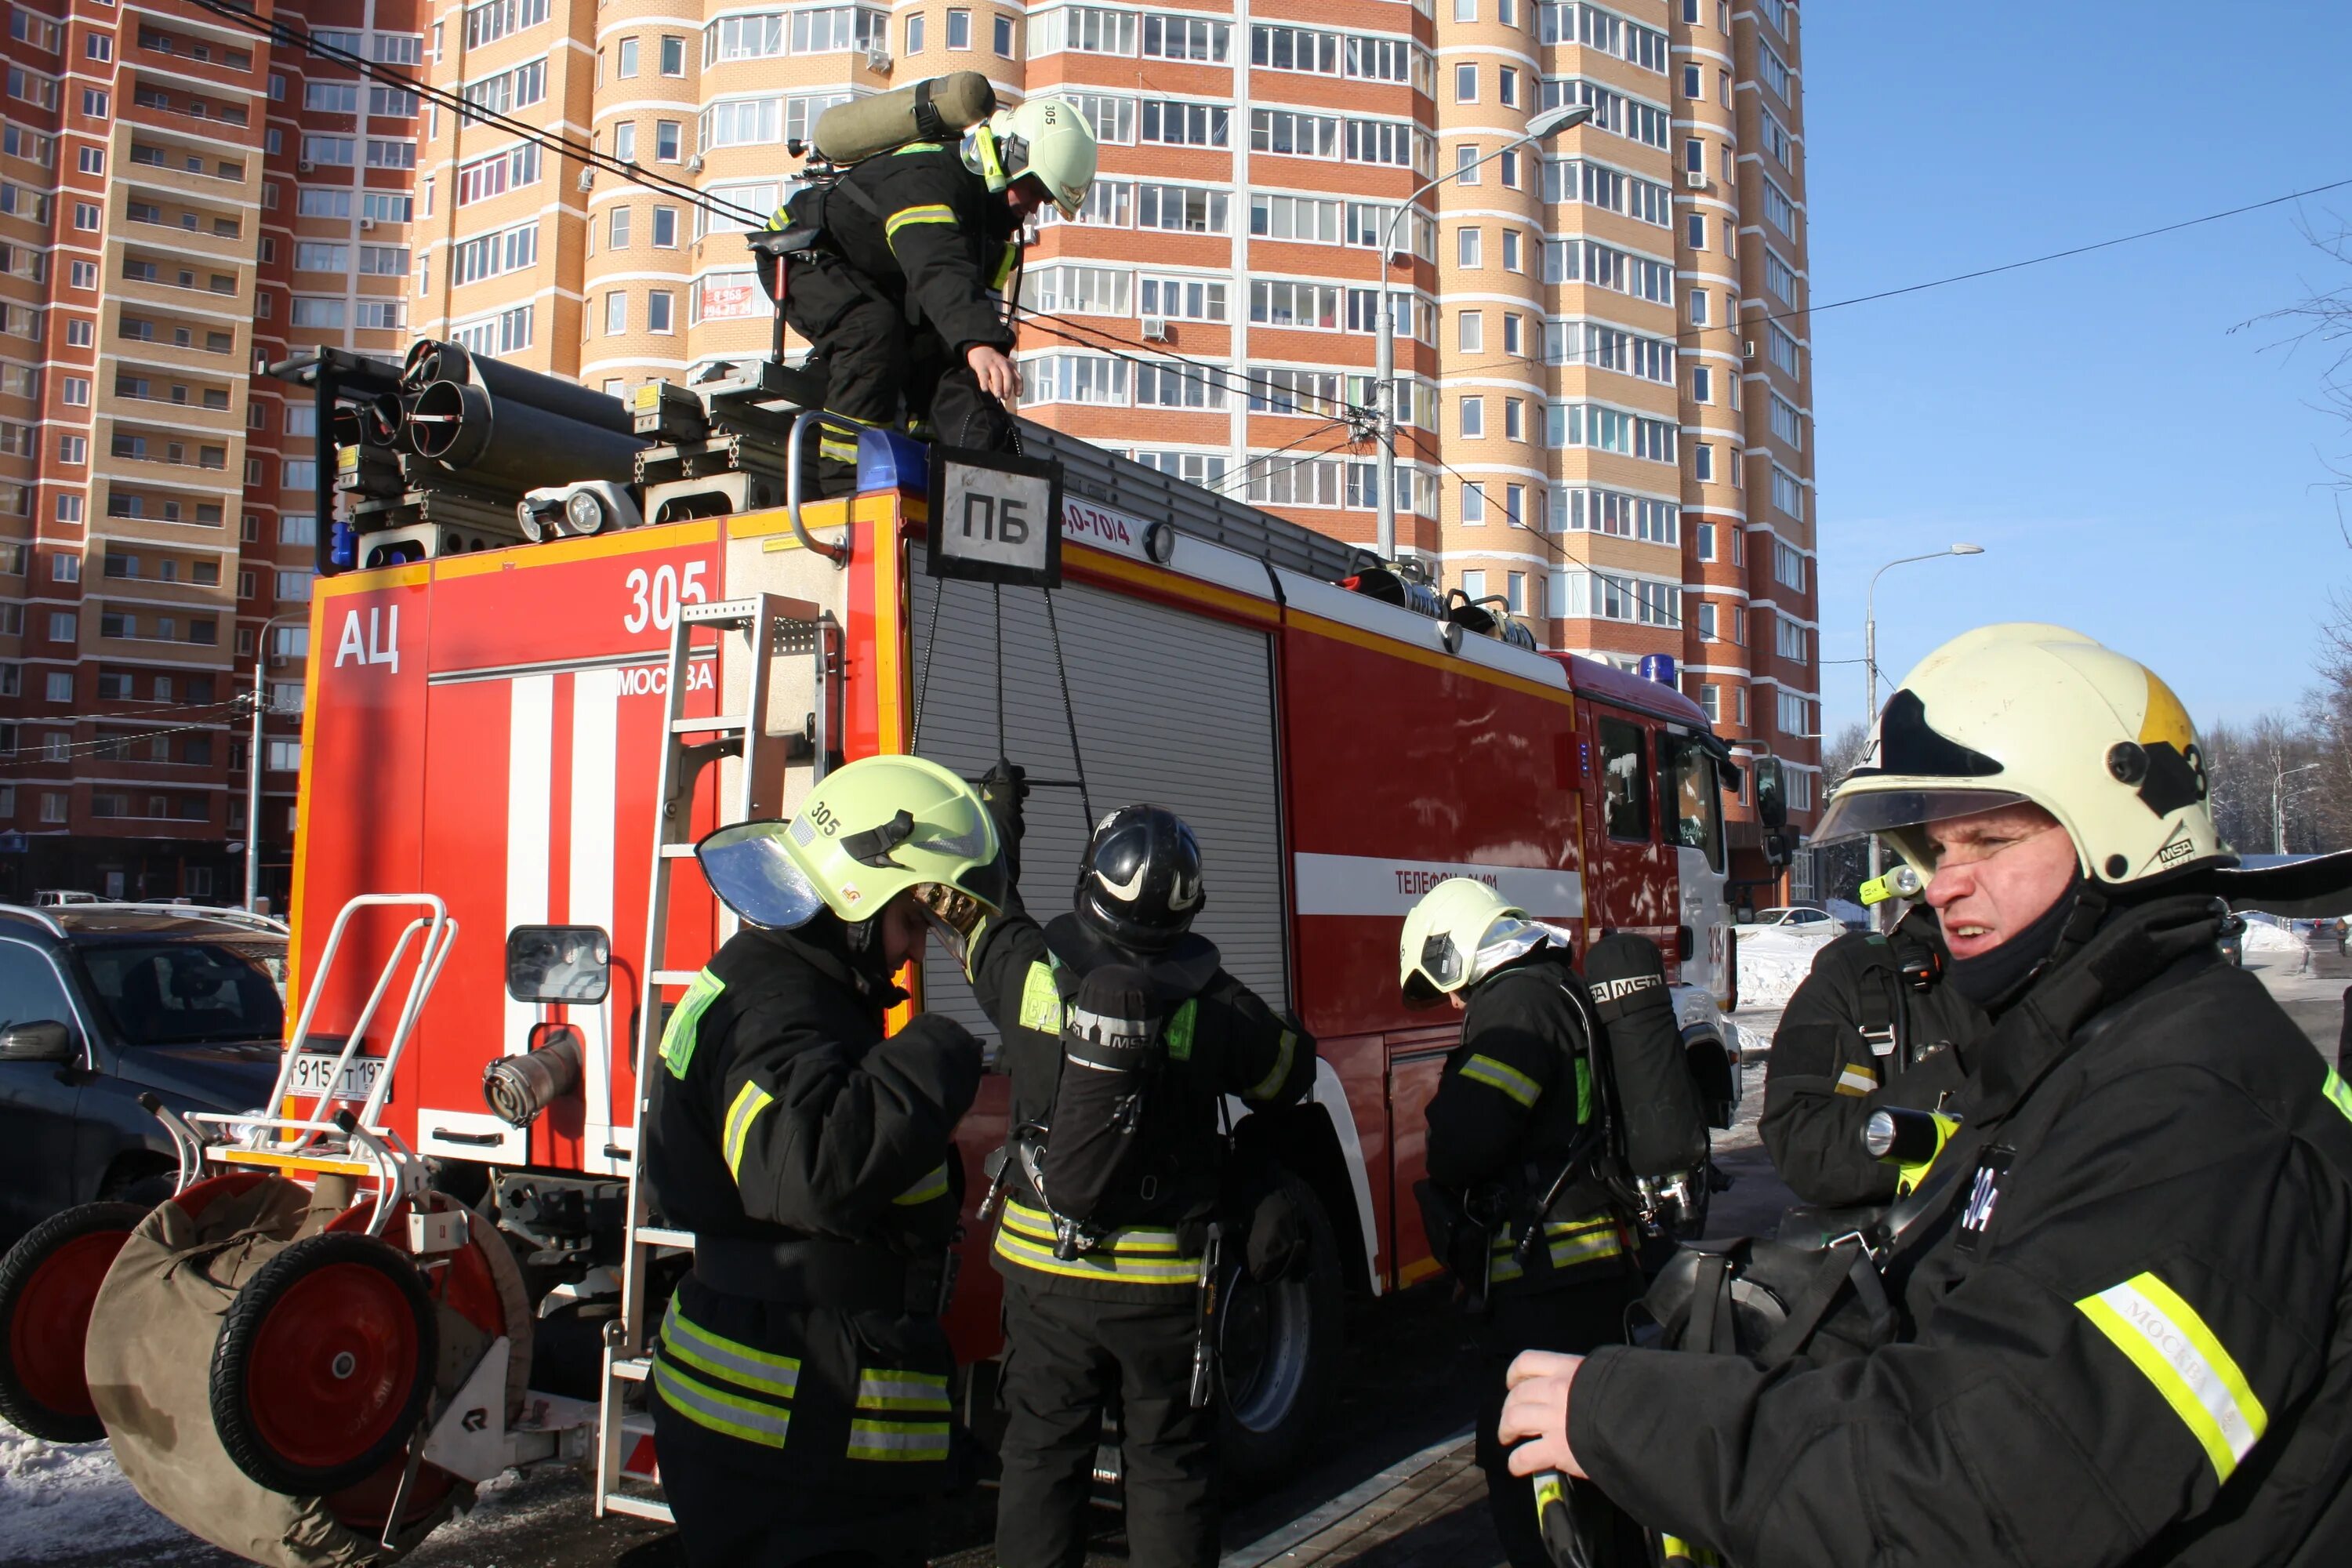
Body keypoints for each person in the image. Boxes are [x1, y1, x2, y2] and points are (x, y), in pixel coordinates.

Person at [1496, 623, 2352, 1567]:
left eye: (1989, 838)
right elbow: (1959, 1311)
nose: (1945, 885)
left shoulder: (2198, 1107)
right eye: (1936, 848)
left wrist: (1638, 1421)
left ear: (2120, 833)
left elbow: (1992, 1484)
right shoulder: (2079, 1053)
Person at [642, 754, 1007, 1567]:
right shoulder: (783, 1004)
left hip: (769, 1419)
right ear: (858, 897)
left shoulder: (771, 975)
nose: (912, 950)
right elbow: (805, 1169)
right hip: (792, 1439)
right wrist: (938, 1051)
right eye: (911, 921)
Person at [957, 789, 1316, 1568]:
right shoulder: (1218, 1006)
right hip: (1163, 1289)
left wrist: (996, 829)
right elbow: (1289, 1073)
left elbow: (983, 922)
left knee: (1040, 1460)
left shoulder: (1028, 974)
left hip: (1044, 1279)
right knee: (1169, 1467)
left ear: (1089, 881)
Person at [1400, 878, 1644, 1568]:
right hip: (1590, 1269)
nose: (1451, 1004)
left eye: (1442, 983)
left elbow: (1465, 1142)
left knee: (1533, 1480)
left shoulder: (1516, 1003)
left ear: (1458, 951)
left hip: (1549, 1287)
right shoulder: (1555, 987)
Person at [769, 98, 1098, 495]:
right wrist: (978, 342)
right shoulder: (928, 175)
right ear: (1012, 153)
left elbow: (949, 305)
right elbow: (936, 264)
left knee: (954, 369)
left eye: (1044, 200)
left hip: (886, 282)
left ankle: (976, 494)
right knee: (870, 331)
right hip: (805, 253)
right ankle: (845, 492)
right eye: (1034, 188)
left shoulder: (983, 223)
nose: (1033, 207)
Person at [1759, 898, 1988, 1207]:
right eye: (1942, 851)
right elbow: (1803, 1149)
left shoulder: (2070, 985)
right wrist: (1967, 1074)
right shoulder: (1851, 981)